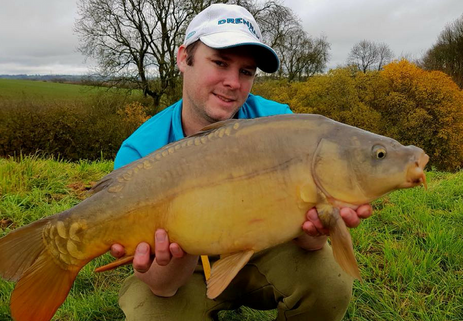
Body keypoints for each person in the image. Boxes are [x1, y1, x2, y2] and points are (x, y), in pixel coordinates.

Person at [111, 4, 372, 321]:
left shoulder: (282, 126)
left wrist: (318, 226)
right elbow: (162, 286)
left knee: (329, 281)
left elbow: (311, 244)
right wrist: (186, 236)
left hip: (263, 249)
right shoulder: (140, 153)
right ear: (183, 58)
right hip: (185, 271)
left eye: (246, 72)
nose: (233, 82)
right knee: (150, 312)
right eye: (220, 63)